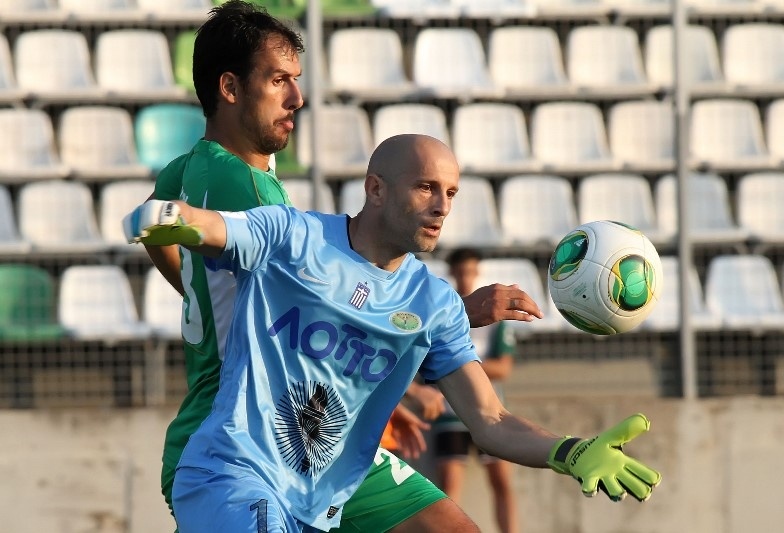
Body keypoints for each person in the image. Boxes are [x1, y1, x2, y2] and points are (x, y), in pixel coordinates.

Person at [125, 133, 662, 533]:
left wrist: (567, 451)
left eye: (451, 192)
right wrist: (167, 218)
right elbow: (212, 226)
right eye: (427, 187)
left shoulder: (434, 304)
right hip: (234, 469)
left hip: (334, 479)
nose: (441, 206)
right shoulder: (291, 236)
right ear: (375, 189)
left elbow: (491, 420)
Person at [144, 3, 539, 532]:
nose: (297, 98)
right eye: (279, 80)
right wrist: (461, 312)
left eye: (297, 80)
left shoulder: (195, 164)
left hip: (307, 422)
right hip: (248, 431)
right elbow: (335, 300)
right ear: (231, 88)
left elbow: (155, 226)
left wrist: (200, 294)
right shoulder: (251, 190)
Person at [434, 247, 518, 533]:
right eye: (460, 272)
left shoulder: (494, 318)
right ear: (452, 274)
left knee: (502, 482)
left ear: (478, 273)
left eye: (470, 272)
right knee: (448, 488)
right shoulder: (443, 314)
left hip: (490, 411)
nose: (465, 278)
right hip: (449, 412)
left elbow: (503, 368)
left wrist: (457, 366)